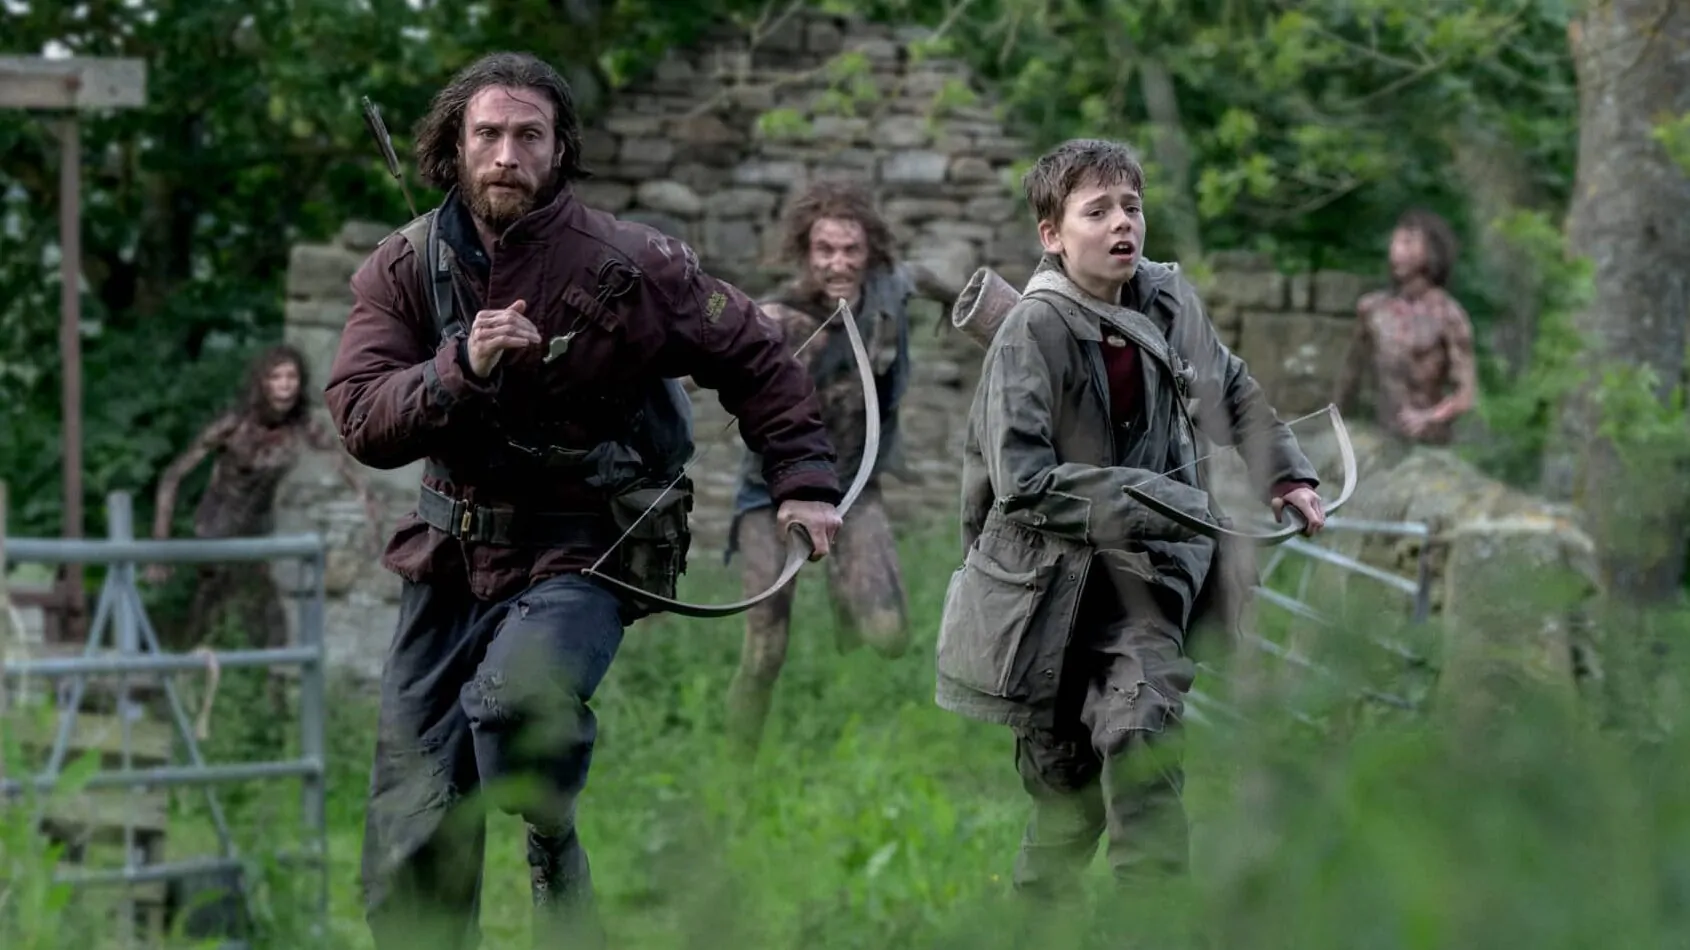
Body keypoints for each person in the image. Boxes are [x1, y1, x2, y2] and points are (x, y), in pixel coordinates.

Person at [322, 51, 845, 950]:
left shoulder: (634, 264)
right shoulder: (404, 268)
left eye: (529, 135)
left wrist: (803, 483)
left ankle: (552, 842)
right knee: (410, 842)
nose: (507, 154)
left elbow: (756, 355)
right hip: (448, 562)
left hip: (581, 552)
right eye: (488, 134)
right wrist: (460, 366)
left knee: (517, 701)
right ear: (455, 146)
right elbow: (362, 418)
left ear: (560, 149)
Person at [934, 138, 1326, 898]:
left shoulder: (1167, 300)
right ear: (1052, 234)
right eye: (1098, 211)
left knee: (1143, 732)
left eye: (1132, 207)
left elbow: (1228, 389)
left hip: (1146, 580)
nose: (1123, 224)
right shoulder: (1030, 332)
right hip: (1043, 591)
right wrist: (1170, 501)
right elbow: (1022, 483)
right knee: (1066, 801)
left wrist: (1286, 474)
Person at [721, 179, 959, 753]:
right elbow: (703, 357)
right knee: (765, 651)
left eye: (851, 250)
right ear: (804, 252)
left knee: (889, 634)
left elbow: (936, 282)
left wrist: (970, 309)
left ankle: (845, 605)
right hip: (771, 498)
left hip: (854, 488)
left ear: (870, 252)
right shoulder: (777, 318)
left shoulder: (889, 291)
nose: (839, 263)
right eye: (825, 249)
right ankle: (734, 772)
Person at [149, 343, 381, 654]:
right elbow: (172, 477)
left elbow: (350, 473)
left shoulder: (303, 428)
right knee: (220, 612)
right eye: (276, 377)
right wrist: (160, 545)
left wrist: (371, 519)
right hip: (217, 529)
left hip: (256, 533)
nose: (285, 385)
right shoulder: (235, 424)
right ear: (262, 382)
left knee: (264, 624)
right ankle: (188, 668)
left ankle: (257, 676)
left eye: (291, 377)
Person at [1332, 207, 1478, 447]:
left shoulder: (1449, 315)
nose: (1397, 251)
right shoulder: (1373, 309)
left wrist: (1429, 417)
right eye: (1395, 242)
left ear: (1432, 251)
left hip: (1429, 446)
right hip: (1381, 440)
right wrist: (1338, 428)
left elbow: (1465, 396)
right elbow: (1349, 380)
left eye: (1408, 243)